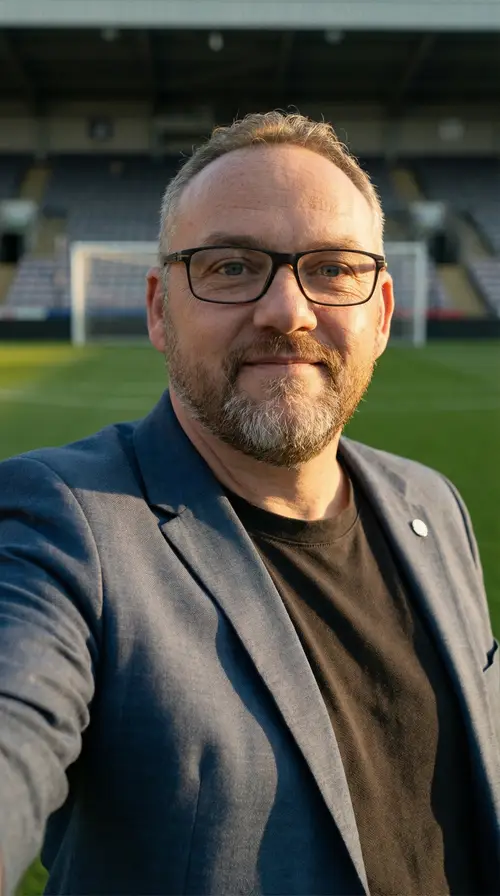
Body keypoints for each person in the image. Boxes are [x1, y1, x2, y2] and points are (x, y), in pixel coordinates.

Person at [0, 111, 498, 896]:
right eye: (232, 267)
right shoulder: (62, 525)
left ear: (382, 312)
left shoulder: (431, 503)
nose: (287, 311)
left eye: (332, 269)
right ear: (160, 309)